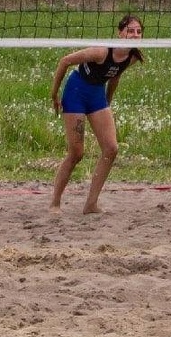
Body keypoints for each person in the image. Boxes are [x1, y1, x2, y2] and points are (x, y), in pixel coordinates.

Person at [49, 15, 145, 214]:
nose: (135, 35)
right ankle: (55, 203)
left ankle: (91, 204)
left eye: (138, 31)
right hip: (75, 92)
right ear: (120, 33)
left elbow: (115, 76)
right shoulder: (101, 51)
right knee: (76, 154)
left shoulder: (133, 57)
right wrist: (54, 94)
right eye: (130, 31)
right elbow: (65, 61)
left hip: (97, 96)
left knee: (111, 149)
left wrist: (107, 102)